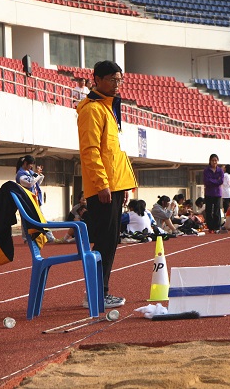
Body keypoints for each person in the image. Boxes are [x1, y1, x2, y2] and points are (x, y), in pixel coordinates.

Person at [77, 60, 137, 308]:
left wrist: (123, 186)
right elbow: (90, 152)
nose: (117, 84)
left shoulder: (108, 108)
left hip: (114, 186)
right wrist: (102, 185)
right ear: (97, 80)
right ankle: (96, 293)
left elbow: (114, 152)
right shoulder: (92, 110)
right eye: (112, 79)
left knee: (110, 240)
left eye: (120, 80)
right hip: (103, 188)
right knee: (104, 241)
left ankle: (98, 292)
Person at [203, 153, 224, 233]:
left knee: (216, 210)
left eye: (215, 160)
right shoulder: (206, 170)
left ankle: (217, 226)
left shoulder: (220, 171)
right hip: (209, 193)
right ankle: (210, 227)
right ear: (210, 161)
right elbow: (206, 181)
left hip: (217, 193)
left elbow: (221, 181)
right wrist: (216, 181)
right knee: (208, 211)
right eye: (213, 160)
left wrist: (212, 180)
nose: (214, 162)